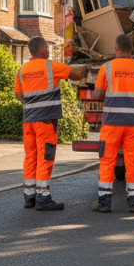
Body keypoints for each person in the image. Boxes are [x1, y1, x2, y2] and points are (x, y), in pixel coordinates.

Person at [15, 36, 86, 210]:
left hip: (28, 122)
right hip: (45, 122)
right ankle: (43, 198)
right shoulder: (50, 66)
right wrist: (87, 67)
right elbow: (76, 74)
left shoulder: (21, 70)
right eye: (47, 46)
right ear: (41, 49)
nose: (48, 49)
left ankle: (29, 197)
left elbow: (19, 95)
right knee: (45, 157)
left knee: (31, 157)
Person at [89, 34, 134, 213]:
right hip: (133, 123)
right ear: (131, 50)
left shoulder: (106, 68)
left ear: (116, 49)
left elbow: (98, 94)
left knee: (108, 160)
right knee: (133, 160)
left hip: (112, 123)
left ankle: (104, 202)